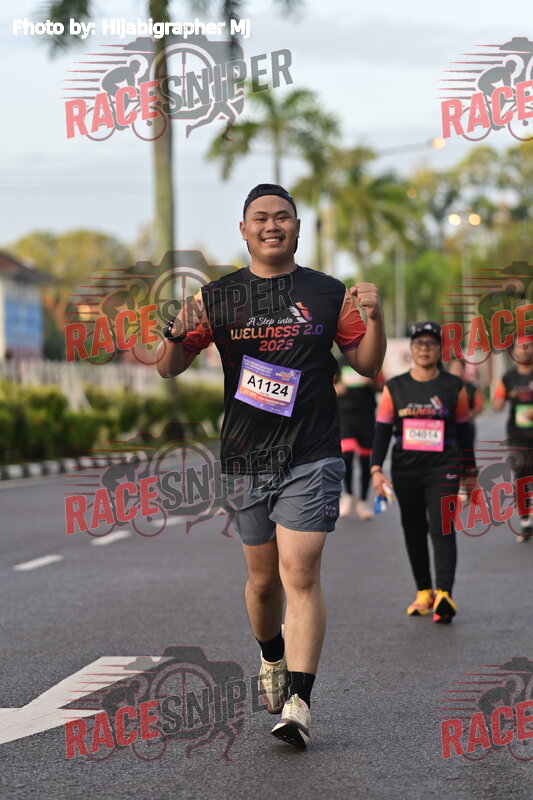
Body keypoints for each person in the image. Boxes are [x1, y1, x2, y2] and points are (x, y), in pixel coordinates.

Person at [156, 183, 386, 748]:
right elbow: (168, 366)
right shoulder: (217, 297)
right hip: (246, 457)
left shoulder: (328, 293)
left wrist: (376, 318)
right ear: (244, 230)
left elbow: (366, 364)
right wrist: (174, 332)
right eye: (260, 218)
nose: (272, 225)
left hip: (312, 452)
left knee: (299, 575)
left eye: (282, 216)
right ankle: (271, 655)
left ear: (297, 227)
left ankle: (299, 703)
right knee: (263, 584)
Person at [370, 322, 477, 623]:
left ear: (440, 350)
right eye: (419, 343)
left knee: (442, 527)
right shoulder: (395, 387)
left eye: (431, 343)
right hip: (406, 470)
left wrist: (470, 472)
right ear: (412, 348)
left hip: (443, 467)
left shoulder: (454, 386)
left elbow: (464, 431)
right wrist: (376, 469)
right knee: (413, 529)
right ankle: (423, 592)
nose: (425, 348)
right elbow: (382, 430)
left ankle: (444, 594)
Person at [493, 338, 533, 542]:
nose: (524, 350)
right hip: (518, 436)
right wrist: (501, 400)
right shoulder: (508, 378)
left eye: (528, 345)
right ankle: (525, 520)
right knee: (521, 473)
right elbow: (497, 403)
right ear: (514, 351)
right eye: (520, 346)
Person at [334, 357, 385, 519]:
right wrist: (336, 388)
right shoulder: (339, 362)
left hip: (366, 416)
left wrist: (372, 383)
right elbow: (326, 385)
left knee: (365, 461)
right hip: (345, 416)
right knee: (347, 456)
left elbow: (383, 386)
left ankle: (362, 501)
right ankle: (348, 495)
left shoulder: (370, 361)